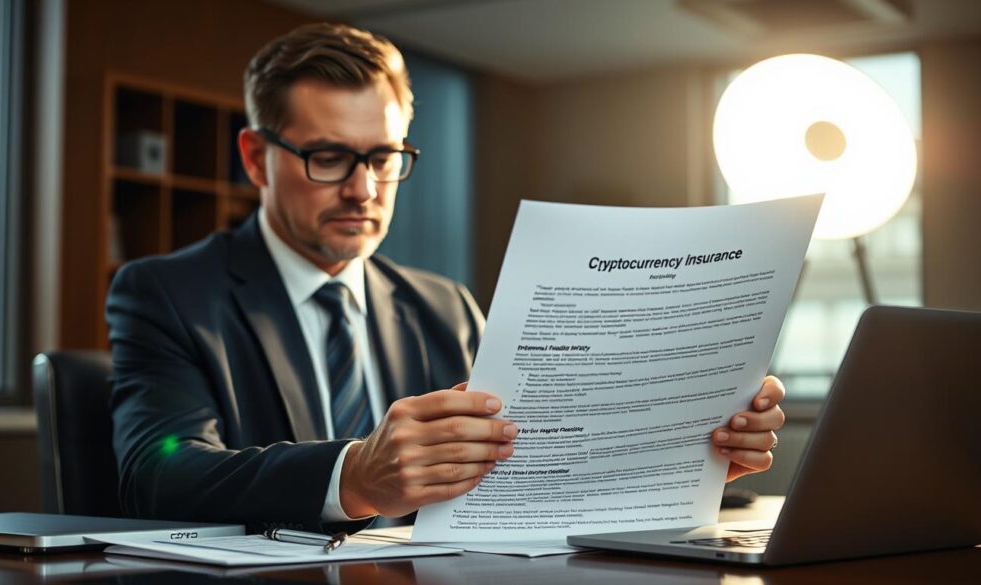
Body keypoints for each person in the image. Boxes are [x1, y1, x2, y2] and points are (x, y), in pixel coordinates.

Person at [107, 23, 786, 535]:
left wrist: (689, 457)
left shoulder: (444, 306)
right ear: (256, 158)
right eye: (329, 157)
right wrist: (352, 475)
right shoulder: (166, 294)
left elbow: (528, 471)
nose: (364, 189)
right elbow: (160, 474)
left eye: (384, 156)